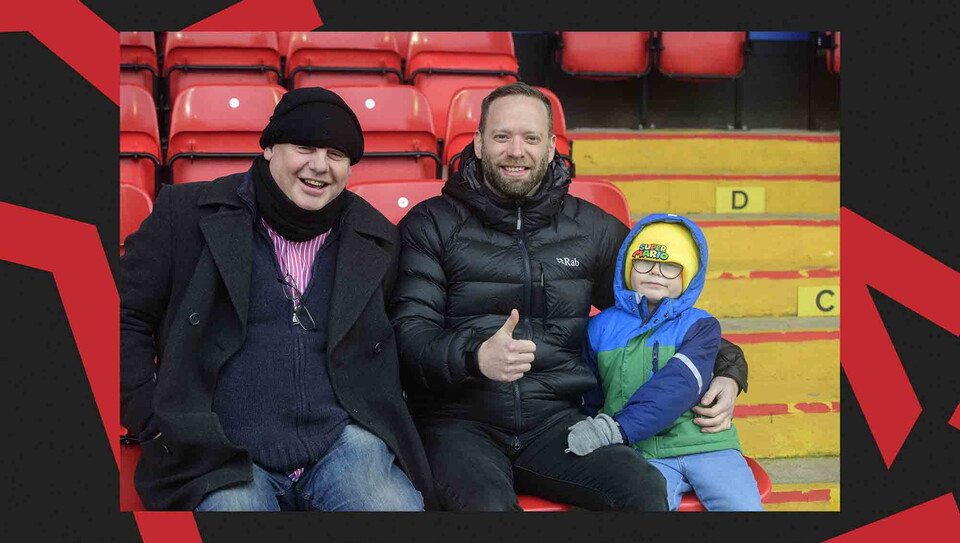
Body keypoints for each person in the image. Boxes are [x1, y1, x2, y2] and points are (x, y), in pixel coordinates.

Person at [390, 82, 748, 511]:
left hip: (556, 420)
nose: (516, 151)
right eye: (502, 136)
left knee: (640, 485)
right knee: (488, 509)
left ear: (551, 148)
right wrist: (475, 357)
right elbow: (407, 335)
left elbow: (658, 310)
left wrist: (728, 368)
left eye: (531, 138)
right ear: (480, 144)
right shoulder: (430, 225)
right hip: (456, 424)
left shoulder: (590, 228)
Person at [120, 87, 437, 511]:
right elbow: (121, 317)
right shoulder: (185, 213)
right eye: (304, 148)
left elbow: (403, 339)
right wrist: (152, 417)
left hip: (345, 442)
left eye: (336, 155)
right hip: (218, 445)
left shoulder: (377, 236)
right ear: (269, 148)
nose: (319, 166)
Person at [567, 214, 763, 511]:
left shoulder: (700, 325)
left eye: (671, 266)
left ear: (688, 276)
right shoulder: (600, 327)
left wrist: (612, 430)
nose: (655, 272)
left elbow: (679, 385)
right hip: (642, 453)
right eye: (644, 262)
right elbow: (589, 394)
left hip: (707, 446)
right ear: (627, 267)